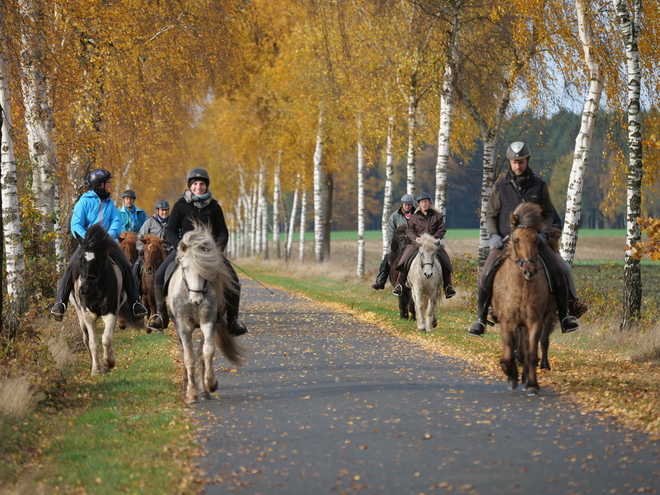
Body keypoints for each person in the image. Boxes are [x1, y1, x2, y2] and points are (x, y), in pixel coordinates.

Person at [467, 141, 587, 337]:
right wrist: (494, 235)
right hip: (507, 242)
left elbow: (548, 215)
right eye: (514, 162)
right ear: (510, 162)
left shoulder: (539, 186)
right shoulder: (500, 187)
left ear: (527, 161)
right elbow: (490, 215)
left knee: (561, 268)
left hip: (535, 242)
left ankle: (566, 315)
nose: (518, 166)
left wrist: (543, 234)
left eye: (521, 162)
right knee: (486, 272)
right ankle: (481, 318)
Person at [146, 168, 247, 336]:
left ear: (206, 186)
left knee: (234, 281)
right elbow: (171, 230)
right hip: (185, 250)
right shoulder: (180, 206)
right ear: (190, 186)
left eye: (201, 184)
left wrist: (218, 248)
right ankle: (161, 317)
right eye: (195, 184)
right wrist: (180, 245)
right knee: (159, 276)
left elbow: (222, 231)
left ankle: (233, 322)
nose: (198, 187)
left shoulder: (214, 207)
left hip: (209, 252)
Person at [50, 169, 148, 320]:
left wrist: (109, 236)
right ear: (100, 185)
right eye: (108, 182)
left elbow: (116, 222)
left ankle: (135, 303)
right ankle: (60, 303)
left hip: (107, 244)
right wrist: (89, 240)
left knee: (126, 266)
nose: (110, 185)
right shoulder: (83, 202)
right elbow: (75, 225)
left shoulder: (110, 203)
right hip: (87, 245)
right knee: (70, 267)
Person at [393, 192, 456, 299]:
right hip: (416, 245)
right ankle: (399, 284)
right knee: (403, 260)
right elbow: (409, 230)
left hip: (433, 245)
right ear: (419, 204)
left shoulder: (437, 216)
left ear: (430, 203)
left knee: (445, 260)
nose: (424, 204)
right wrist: (415, 238)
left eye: (426, 202)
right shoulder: (414, 217)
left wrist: (434, 238)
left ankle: (448, 286)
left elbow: (442, 229)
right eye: (422, 202)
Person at [372, 194, 415, 290]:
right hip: (398, 244)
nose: (407, 207)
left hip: (413, 244)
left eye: (409, 205)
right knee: (387, 258)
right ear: (401, 204)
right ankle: (380, 280)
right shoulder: (395, 216)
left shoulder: (416, 215)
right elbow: (390, 231)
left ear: (412, 205)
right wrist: (393, 243)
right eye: (405, 204)